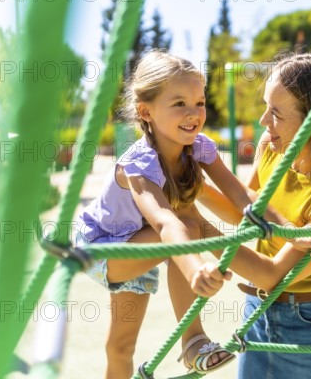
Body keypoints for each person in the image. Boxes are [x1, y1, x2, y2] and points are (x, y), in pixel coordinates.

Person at [74, 50, 259, 378]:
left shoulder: (197, 148)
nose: (193, 114)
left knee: (120, 347)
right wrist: (195, 269)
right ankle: (194, 341)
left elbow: (239, 202)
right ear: (146, 111)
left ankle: (191, 344)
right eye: (179, 104)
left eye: (199, 103)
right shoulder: (139, 164)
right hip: (104, 248)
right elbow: (166, 222)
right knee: (185, 224)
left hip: (144, 245)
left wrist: (286, 226)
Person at [196, 52, 311, 379]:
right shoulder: (270, 145)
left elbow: (274, 276)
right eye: (266, 106)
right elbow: (246, 212)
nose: (264, 121)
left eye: (276, 112)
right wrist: (194, 188)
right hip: (258, 312)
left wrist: (196, 229)